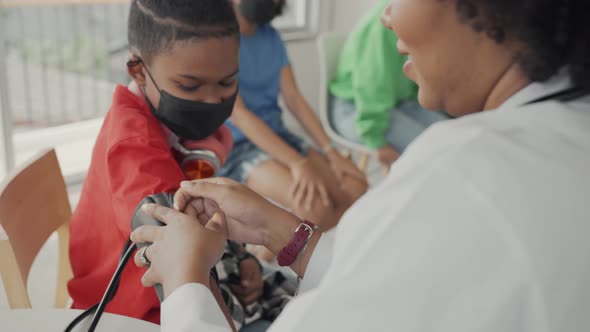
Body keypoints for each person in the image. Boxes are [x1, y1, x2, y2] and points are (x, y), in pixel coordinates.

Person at [132, 0, 590, 331]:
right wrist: (288, 233)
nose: (386, 15)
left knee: (346, 187)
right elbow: (399, 273)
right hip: (262, 156)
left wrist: (185, 281)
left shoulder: (461, 172)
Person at [67, 1, 276, 329]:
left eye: (226, 83)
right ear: (138, 71)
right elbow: (182, 263)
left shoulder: (173, 121)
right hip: (138, 309)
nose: (211, 100)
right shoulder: (134, 151)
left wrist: (242, 257)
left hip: (190, 276)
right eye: (190, 87)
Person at [219, 0, 368, 246]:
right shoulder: (219, 42)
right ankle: (264, 259)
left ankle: (306, 253)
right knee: (316, 209)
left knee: (356, 186)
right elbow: (240, 116)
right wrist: (296, 162)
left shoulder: (272, 37)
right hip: (239, 148)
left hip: (280, 136)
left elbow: (295, 100)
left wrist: (332, 151)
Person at [329, 0, 449, 167]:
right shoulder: (388, 20)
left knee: (453, 137)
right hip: (357, 109)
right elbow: (371, 85)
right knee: (432, 151)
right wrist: (376, 140)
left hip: (398, 102)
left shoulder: (423, 15)